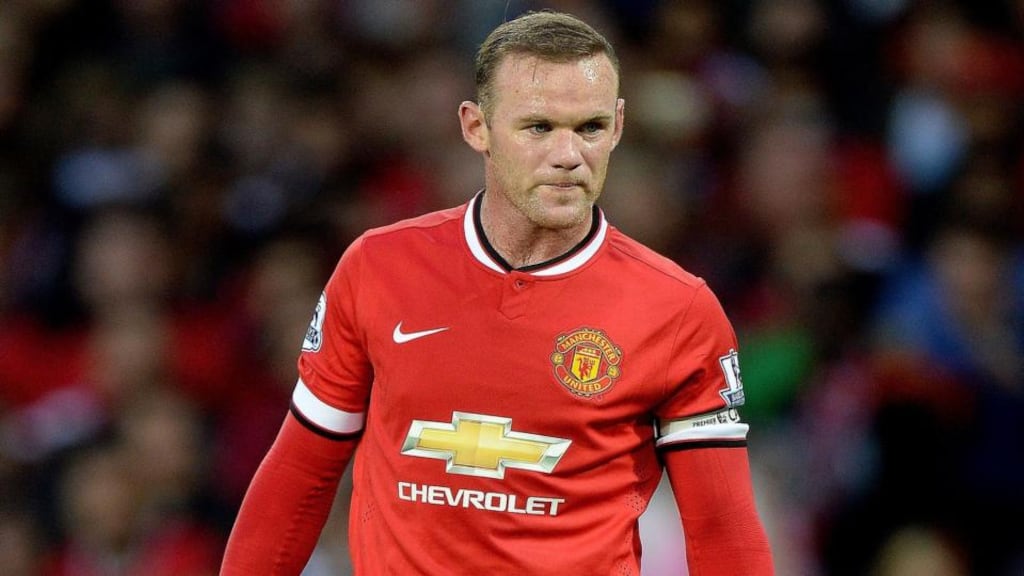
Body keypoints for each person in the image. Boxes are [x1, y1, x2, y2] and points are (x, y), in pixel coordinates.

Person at [221, 10, 774, 575]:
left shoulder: (678, 311)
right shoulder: (378, 269)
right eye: (538, 127)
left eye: (590, 127)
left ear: (619, 125)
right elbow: (298, 477)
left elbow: (722, 532)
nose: (568, 154)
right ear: (475, 126)